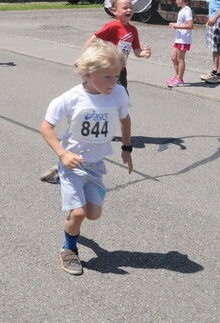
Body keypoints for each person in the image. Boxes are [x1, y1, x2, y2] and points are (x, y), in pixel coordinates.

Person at [39, 40, 133, 276]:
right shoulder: (71, 98)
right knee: (78, 214)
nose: (114, 82)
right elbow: (46, 127)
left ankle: (59, 176)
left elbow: (125, 119)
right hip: (72, 162)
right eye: (108, 77)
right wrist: (63, 153)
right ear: (89, 74)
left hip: (96, 165)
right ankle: (69, 249)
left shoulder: (118, 93)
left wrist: (127, 148)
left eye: (116, 76)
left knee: (93, 215)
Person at [85, 0, 151, 91]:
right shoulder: (112, 26)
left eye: (131, 8)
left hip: (121, 71)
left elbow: (137, 51)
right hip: (107, 69)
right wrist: (83, 58)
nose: (129, 10)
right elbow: (91, 40)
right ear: (114, 11)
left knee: (121, 97)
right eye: (125, 8)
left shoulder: (133, 30)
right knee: (116, 95)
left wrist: (144, 53)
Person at [167, 0, 193, 87]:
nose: (176, 0)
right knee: (173, 57)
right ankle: (177, 76)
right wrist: (175, 25)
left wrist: (177, 26)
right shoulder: (182, 10)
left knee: (180, 58)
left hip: (184, 39)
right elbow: (183, 24)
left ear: (182, 0)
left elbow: (190, 25)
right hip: (179, 38)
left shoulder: (187, 10)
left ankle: (180, 79)